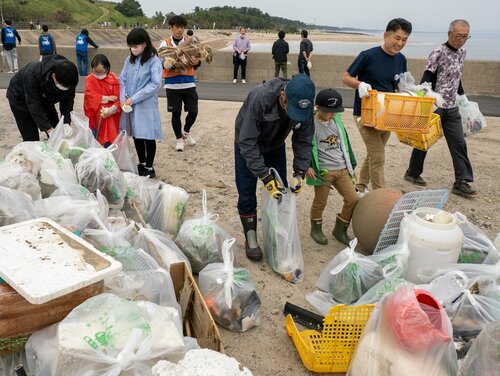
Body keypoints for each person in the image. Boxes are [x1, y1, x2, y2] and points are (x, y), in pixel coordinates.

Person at [235, 74, 315, 261]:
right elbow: (247, 142)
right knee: (246, 189)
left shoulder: (306, 104)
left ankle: (276, 236)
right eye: (291, 109)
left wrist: (300, 171)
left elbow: (303, 140)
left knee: (280, 189)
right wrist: (264, 176)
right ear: (282, 95)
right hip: (246, 143)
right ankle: (251, 237)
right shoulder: (260, 98)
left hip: (275, 144)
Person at [404, 20, 476, 197]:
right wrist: (427, 99)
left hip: (452, 107)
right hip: (434, 105)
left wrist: (462, 96)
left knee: (458, 142)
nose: (461, 40)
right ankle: (412, 173)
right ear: (449, 33)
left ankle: (462, 181)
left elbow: (456, 77)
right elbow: (427, 78)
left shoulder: (463, 52)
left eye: (465, 37)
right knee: (425, 141)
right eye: (458, 36)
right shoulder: (438, 52)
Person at [342, 18, 412, 194]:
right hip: (365, 114)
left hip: (387, 115)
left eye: (404, 39)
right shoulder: (368, 55)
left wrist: (408, 92)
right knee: (379, 156)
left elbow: (399, 85)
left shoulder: (401, 59)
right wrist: (360, 85)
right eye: (397, 38)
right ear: (386, 35)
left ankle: (360, 186)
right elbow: (346, 77)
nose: (400, 43)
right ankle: (380, 195)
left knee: (374, 153)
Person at [306, 89, 358, 246]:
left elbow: (345, 144)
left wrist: (352, 166)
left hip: (342, 169)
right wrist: (307, 166)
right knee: (320, 201)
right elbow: (303, 146)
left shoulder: (337, 121)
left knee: (352, 198)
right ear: (318, 107)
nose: (332, 114)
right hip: (323, 172)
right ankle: (315, 228)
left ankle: (340, 229)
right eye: (328, 112)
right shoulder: (310, 125)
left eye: (335, 112)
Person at [119, 27, 162, 178]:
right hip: (131, 104)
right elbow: (122, 79)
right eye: (131, 46)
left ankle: (150, 166)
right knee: (137, 134)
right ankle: (142, 163)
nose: (133, 49)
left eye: (136, 46)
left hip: (146, 104)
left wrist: (135, 97)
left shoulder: (154, 61)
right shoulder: (129, 60)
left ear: (144, 44)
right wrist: (123, 97)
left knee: (148, 134)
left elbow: (155, 84)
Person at [6, 54, 78, 141]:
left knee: (58, 133)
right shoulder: (33, 73)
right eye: (63, 86)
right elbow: (34, 105)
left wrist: (66, 122)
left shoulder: (70, 78)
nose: (65, 89)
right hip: (20, 98)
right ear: (54, 76)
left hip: (46, 97)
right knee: (31, 136)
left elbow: (67, 103)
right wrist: (49, 129)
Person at [159, 15, 200, 152]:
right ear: (171, 27)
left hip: (189, 82)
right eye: (176, 27)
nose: (179, 30)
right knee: (175, 113)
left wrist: (196, 62)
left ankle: (186, 132)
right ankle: (179, 139)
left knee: (193, 111)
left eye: (182, 27)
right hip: (172, 84)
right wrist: (174, 64)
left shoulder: (190, 42)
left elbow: (198, 60)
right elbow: (161, 63)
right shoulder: (165, 44)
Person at [84, 54, 121, 147]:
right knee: (95, 136)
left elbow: (119, 98)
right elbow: (89, 95)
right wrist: (106, 98)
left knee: (110, 134)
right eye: (96, 72)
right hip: (95, 114)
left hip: (111, 115)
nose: (99, 75)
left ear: (107, 68)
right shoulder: (89, 79)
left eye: (101, 72)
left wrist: (112, 109)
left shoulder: (113, 79)